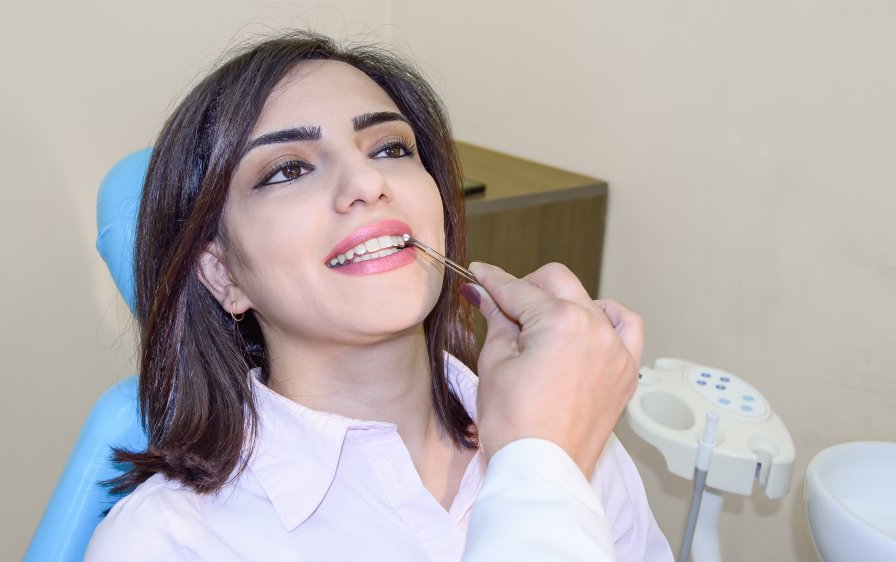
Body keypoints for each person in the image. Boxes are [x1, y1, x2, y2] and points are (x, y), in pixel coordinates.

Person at [85, 31, 672, 561]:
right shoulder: (166, 542)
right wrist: (541, 468)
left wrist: (545, 451)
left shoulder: (564, 425)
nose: (368, 183)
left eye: (390, 148)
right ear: (221, 273)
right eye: (288, 169)